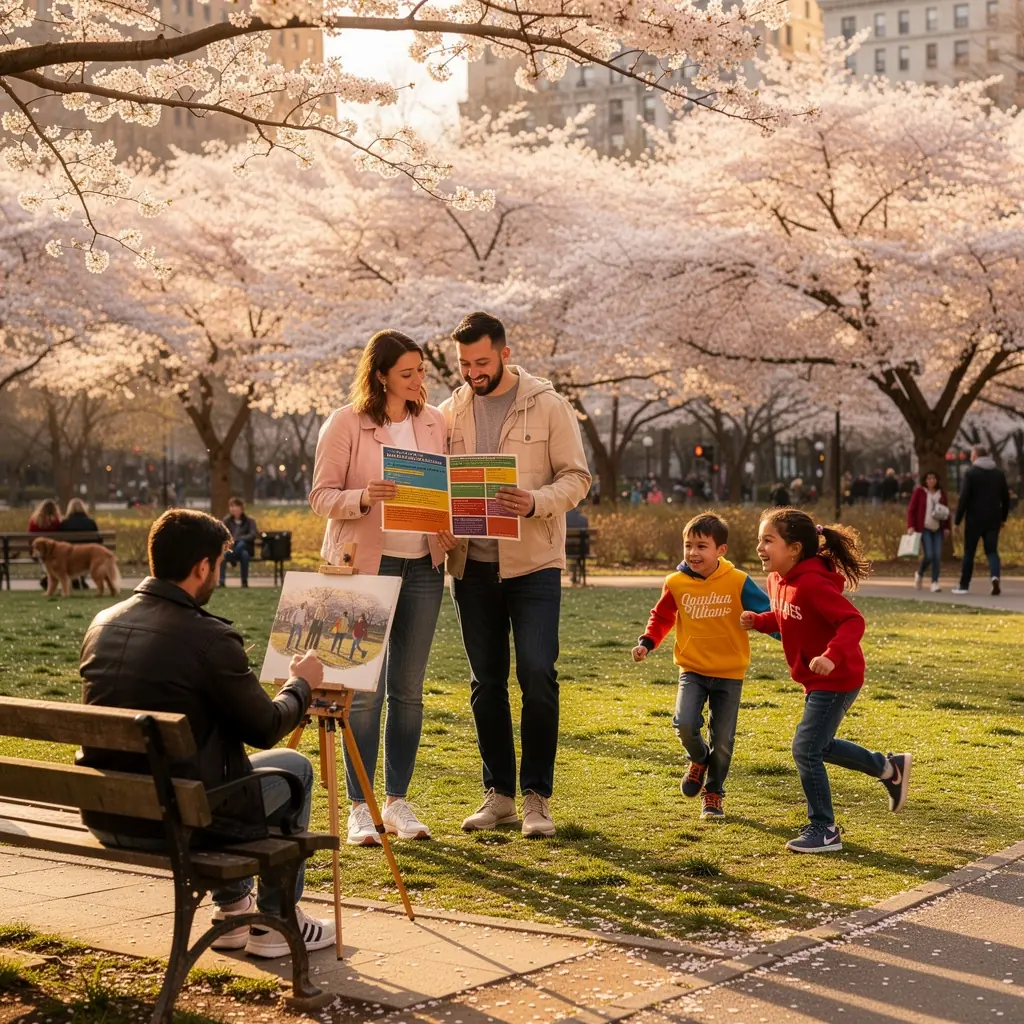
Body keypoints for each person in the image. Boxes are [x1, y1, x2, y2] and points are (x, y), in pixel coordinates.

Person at [78, 508, 334, 957]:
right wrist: (302, 683)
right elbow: (267, 727)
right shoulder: (209, 639)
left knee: (202, 776)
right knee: (295, 767)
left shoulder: (103, 624)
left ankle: (235, 908)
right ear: (201, 567)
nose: (218, 572)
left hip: (109, 813)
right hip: (179, 821)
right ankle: (277, 922)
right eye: (218, 563)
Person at [442, 311, 592, 839]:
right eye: (463, 363)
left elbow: (577, 478)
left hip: (533, 566)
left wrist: (535, 502)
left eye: (481, 362)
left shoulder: (547, 405)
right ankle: (499, 794)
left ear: (505, 354)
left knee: (536, 675)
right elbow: (437, 486)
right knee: (486, 683)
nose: (472, 372)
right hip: (471, 567)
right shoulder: (449, 412)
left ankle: (537, 798)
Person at [309, 329, 457, 846]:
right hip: (365, 568)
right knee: (363, 692)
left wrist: (447, 522)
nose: (419, 382)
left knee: (409, 691)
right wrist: (363, 498)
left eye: (421, 371)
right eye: (408, 373)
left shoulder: (434, 421)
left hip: (423, 567)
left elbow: (443, 489)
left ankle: (397, 802)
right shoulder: (346, 423)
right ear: (380, 376)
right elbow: (321, 497)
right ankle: (359, 806)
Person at [741, 508, 910, 854]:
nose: (760, 547)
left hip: (839, 677)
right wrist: (759, 621)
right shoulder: (777, 580)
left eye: (768, 540)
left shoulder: (814, 584)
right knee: (819, 745)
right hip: (816, 679)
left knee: (805, 748)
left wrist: (831, 656)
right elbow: (787, 615)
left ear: (794, 549)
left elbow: (853, 622)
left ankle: (824, 828)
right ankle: (889, 768)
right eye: (760, 539)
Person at [631, 512, 774, 820]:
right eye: (688, 545)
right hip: (692, 669)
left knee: (723, 741)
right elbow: (662, 616)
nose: (693, 553)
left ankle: (713, 793)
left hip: (729, 673)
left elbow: (767, 613)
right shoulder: (676, 582)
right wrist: (646, 642)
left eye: (701, 546)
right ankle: (698, 758)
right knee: (684, 724)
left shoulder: (738, 581)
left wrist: (791, 635)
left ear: (721, 550)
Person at [953, 445, 1010, 596]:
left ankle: (964, 585)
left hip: (974, 519)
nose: (970, 457)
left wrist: (957, 520)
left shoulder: (971, 473)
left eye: (972, 454)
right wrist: (1003, 518)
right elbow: (1006, 498)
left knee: (969, 552)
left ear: (976, 456)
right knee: (991, 551)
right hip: (993, 519)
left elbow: (964, 498)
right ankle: (995, 576)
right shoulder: (998, 474)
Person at [906, 472, 950, 593]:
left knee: (937, 556)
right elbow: (911, 510)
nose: (931, 481)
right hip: (924, 528)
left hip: (937, 529)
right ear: (925, 480)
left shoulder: (941, 494)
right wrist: (911, 526)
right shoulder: (920, 492)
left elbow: (946, 513)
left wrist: (947, 528)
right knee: (929, 555)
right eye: (929, 478)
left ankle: (935, 582)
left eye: (933, 478)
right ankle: (919, 573)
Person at [60, 497, 100, 590]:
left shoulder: (64, 523)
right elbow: (98, 539)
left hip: (69, 554)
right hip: (86, 553)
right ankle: (80, 580)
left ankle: (76, 580)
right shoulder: (90, 522)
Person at [219, 497, 258, 588]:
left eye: (235, 506)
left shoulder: (249, 521)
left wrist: (238, 539)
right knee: (226, 555)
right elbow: (222, 534)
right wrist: (233, 541)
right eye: (231, 506)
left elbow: (252, 534)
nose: (233, 509)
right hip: (231, 548)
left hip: (246, 547)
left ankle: (244, 582)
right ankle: (221, 581)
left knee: (242, 546)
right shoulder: (227, 521)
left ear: (241, 508)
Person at [28, 498, 61, 589]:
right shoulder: (56, 522)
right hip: (54, 552)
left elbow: (30, 539)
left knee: (45, 555)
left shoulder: (34, 521)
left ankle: (47, 578)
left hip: (37, 552)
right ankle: (48, 578)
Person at [565, 501, 589, 587]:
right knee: (578, 551)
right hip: (581, 551)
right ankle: (576, 576)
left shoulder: (563, 518)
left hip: (565, 550)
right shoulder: (584, 519)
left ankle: (573, 574)